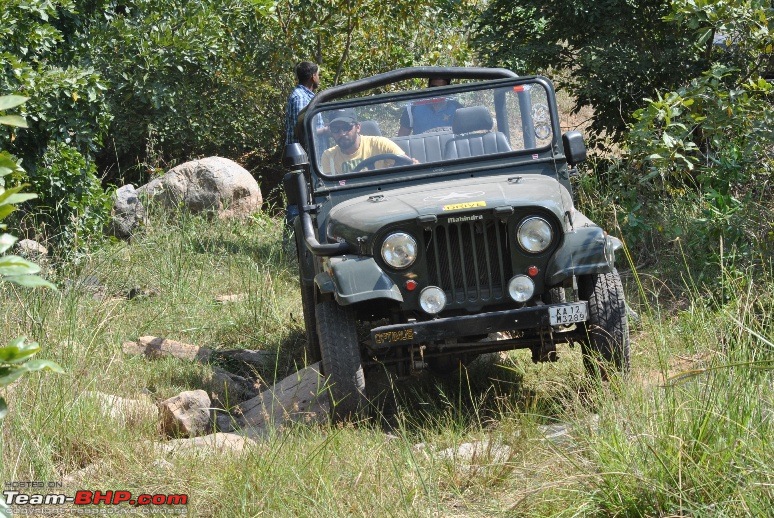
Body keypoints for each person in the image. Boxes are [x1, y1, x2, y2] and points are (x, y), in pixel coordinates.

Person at [283, 61, 327, 231]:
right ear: (312, 76)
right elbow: (305, 129)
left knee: (310, 196)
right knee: (300, 197)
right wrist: (328, 130)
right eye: (318, 75)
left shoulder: (306, 96)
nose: (319, 78)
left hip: (309, 156)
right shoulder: (300, 97)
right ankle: (293, 240)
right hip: (303, 157)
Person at [320, 109, 418, 175]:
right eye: (335, 129)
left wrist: (414, 166)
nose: (342, 133)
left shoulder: (381, 144)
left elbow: (409, 166)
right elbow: (330, 191)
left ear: (358, 127)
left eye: (346, 127)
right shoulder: (329, 156)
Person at [397, 78, 462, 136]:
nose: (437, 92)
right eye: (434, 88)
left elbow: (465, 137)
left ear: (447, 91)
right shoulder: (413, 108)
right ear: (428, 88)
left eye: (441, 89)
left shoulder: (457, 109)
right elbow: (402, 137)